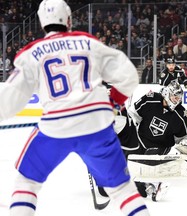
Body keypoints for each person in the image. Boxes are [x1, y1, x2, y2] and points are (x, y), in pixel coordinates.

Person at [1, 0, 150, 216]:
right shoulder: (88, 42)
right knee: (121, 189)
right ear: (69, 19)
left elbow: (9, 98)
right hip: (97, 124)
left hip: (56, 127)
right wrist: (113, 102)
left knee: (27, 183)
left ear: (42, 22)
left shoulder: (31, 53)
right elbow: (128, 75)